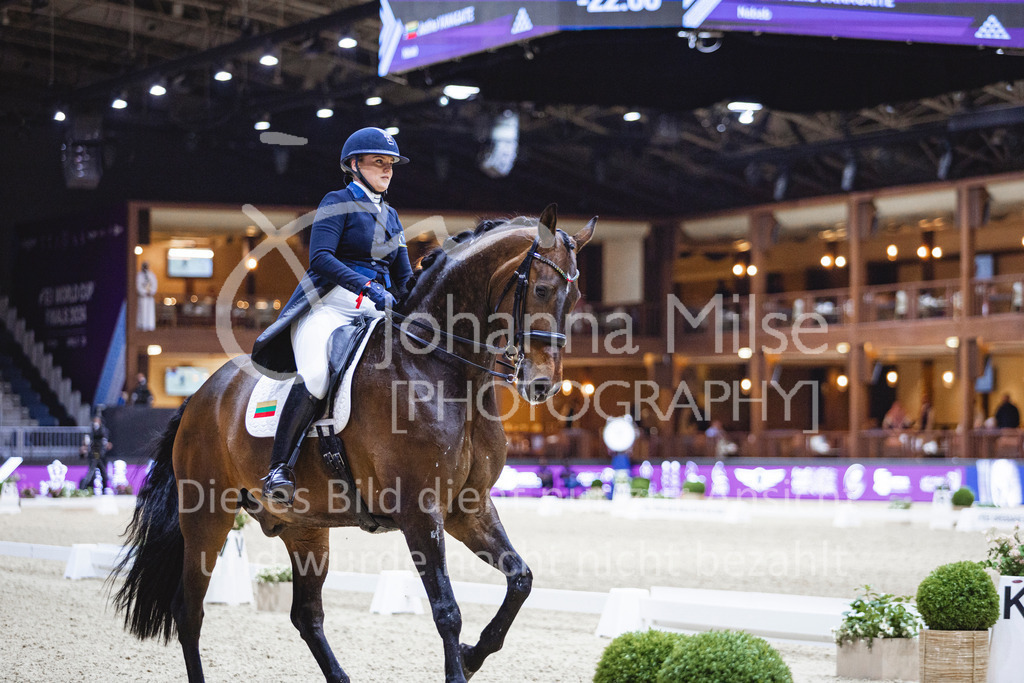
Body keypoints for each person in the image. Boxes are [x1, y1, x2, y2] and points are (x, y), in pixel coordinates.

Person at [251, 127, 413, 504]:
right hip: (328, 306)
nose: (387, 170)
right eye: (379, 162)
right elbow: (321, 258)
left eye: (391, 164)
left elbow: (405, 278)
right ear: (354, 165)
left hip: (376, 309)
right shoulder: (337, 201)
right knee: (316, 376)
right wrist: (368, 287)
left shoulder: (392, 216)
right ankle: (279, 468)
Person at [79, 413, 112, 491]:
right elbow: (87, 441)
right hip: (94, 454)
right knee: (91, 473)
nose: (95, 423)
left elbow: (107, 442)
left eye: (97, 421)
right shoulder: (91, 431)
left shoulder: (104, 431)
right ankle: (87, 488)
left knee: (103, 472)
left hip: (101, 455)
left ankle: (104, 488)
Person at [136, 261, 157, 331]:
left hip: (150, 297)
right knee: (142, 311)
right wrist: (144, 292)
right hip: (142, 297)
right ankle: (142, 325)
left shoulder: (151, 275)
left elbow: (154, 284)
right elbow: (138, 285)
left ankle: (150, 325)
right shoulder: (139, 275)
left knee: (149, 312)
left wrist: (151, 292)